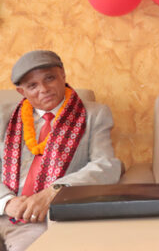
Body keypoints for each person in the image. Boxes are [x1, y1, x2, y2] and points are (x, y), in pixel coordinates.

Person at [0, 51, 121, 250]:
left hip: (41, 219)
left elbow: (106, 166)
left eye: (49, 78)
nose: (44, 89)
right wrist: (6, 202)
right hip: (5, 208)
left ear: (63, 75)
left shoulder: (94, 115)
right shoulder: (4, 116)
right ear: (22, 92)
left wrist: (55, 191)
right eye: (32, 85)